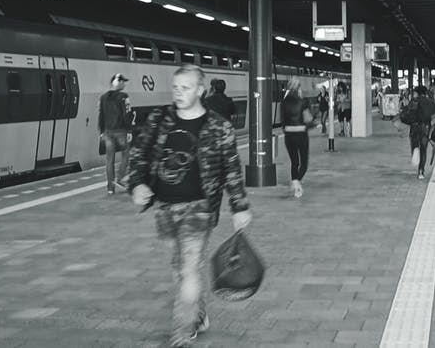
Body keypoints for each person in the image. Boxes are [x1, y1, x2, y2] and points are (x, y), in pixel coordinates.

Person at [128, 65, 252, 348]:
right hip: (164, 207)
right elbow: (139, 153)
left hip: (200, 207)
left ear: (200, 90)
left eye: (185, 88)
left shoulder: (219, 126)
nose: (178, 93)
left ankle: (181, 335)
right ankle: (198, 314)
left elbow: (232, 168)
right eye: (175, 87)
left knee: (189, 269)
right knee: (179, 269)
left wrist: (240, 206)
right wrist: (137, 183)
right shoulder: (160, 119)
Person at [98, 73, 134, 194]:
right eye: (123, 82)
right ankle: (120, 178)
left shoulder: (103, 97)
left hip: (108, 132)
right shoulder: (124, 96)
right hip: (120, 132)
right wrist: (129, 130)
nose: (124, 84)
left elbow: (101, 115)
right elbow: (127, 113)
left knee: (109, 160)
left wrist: (101, 131)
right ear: (117, 82)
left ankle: (110, 188)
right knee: (126, 154)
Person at [280, 78, 316, 198]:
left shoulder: (283, 102)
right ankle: (296, 183)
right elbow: (308, 120)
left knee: (294, 162)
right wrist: (313, 122)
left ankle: (295, 183)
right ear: (299, 88)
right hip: (301, 135)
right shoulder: (303, 102)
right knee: (304, 164)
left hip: (288, 136)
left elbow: (282, 122)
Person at [406, 85, 435, 180]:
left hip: (414, 128)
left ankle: (415, 151)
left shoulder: (414, 101)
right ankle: (421, 171)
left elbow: (407, 114)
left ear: (417, 93)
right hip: (425, 129)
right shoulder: (430, 102)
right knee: (423, 150)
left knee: (415, 147)